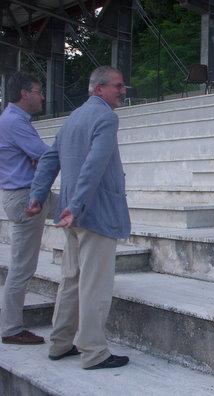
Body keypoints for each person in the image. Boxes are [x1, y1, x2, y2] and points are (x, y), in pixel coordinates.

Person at [27, 66, 131, 370]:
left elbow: (49, 159)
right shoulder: (106, 118)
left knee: (71, 280)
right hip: (92, 213)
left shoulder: (74, 117)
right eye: (118, 86)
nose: (123, 91)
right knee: (94, 285)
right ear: (98, 89)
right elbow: (95, 165)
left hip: (74, 215)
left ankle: (60, 343)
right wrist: (77, 204)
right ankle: (94, 352)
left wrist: (38, 195)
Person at [0, 71, 57, 345]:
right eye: (38, 90)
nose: (42, 96)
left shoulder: (15, 120)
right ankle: (11, 329)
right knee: (22, 268)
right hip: (26, 198)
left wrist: (39, 159)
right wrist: (39, 158)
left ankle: (87, 272)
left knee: (80, 214)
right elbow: (46, 155)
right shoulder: (13, 122)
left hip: (32, 192)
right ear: (25, 93)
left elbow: (40, 157)